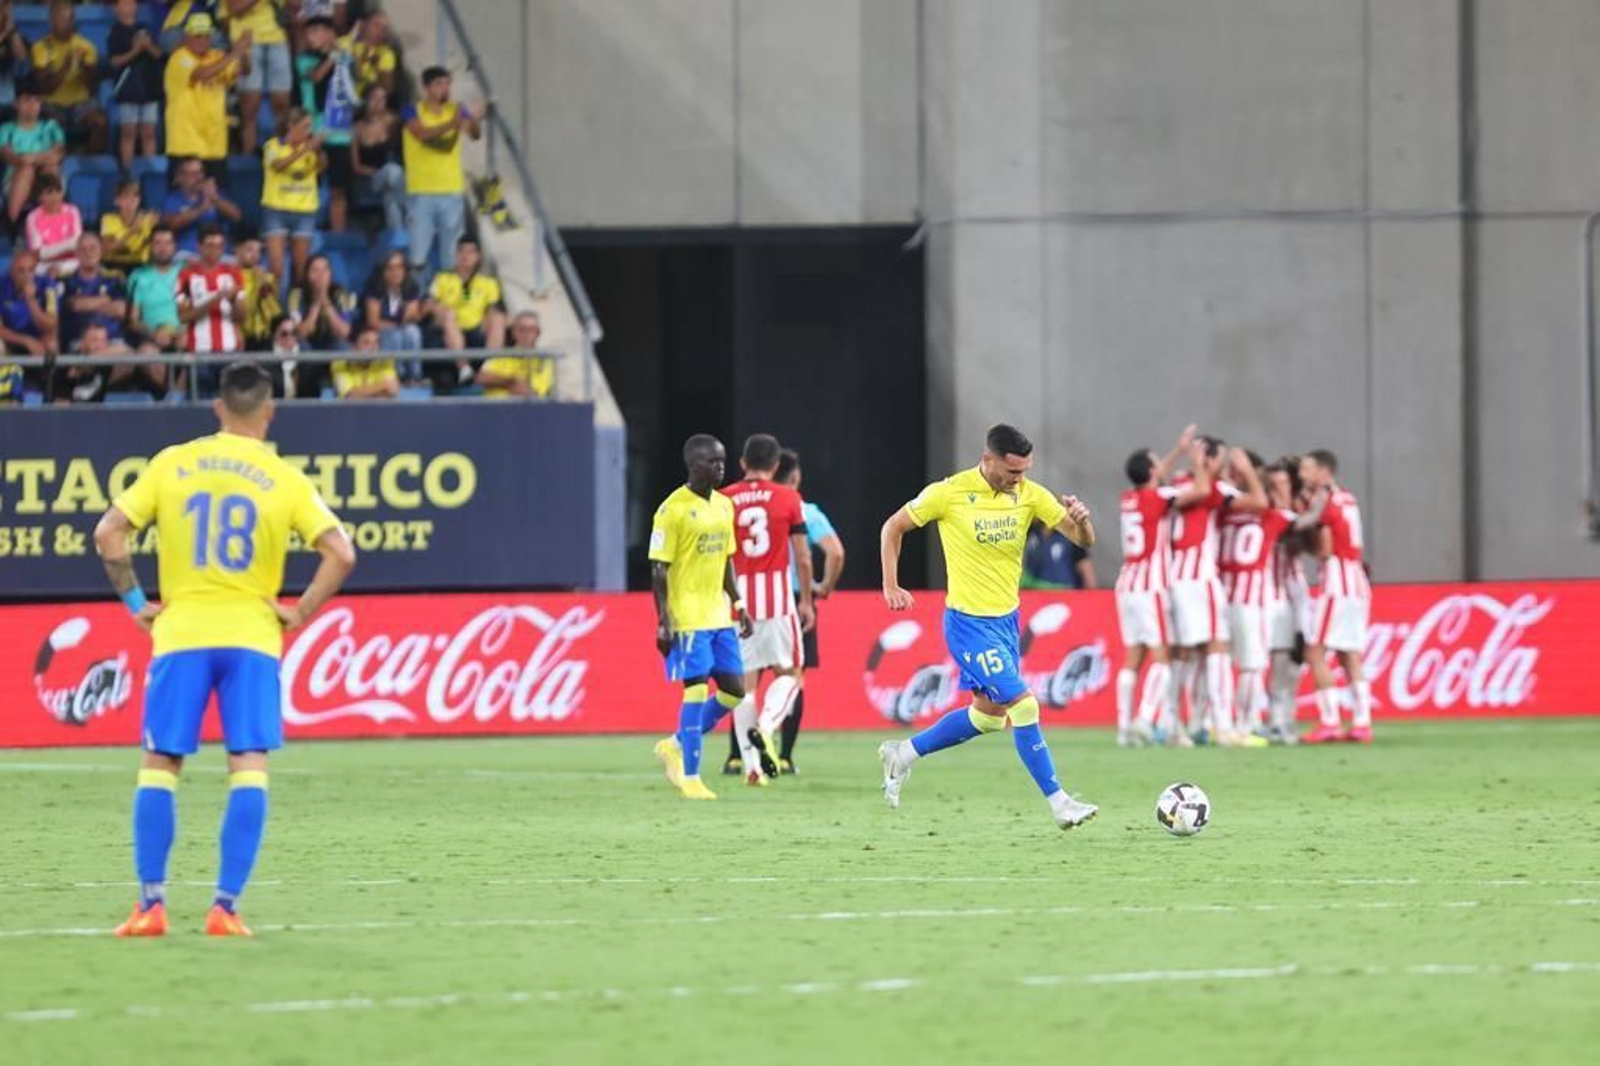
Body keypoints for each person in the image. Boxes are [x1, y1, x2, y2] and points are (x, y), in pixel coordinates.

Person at [94, 360, 356, 938]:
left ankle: (151, 906)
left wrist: (136, 601)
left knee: (161, 764)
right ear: (269, 411)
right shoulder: (285, 479)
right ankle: (224, 909)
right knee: (248, 766)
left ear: (217, 407)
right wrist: (300, 613)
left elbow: (108, 532)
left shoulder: (173, 462)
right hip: (253, 639)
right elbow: (341, 553)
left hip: (181, 634)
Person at [877, 424, 1099, 830]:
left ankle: (903, 754)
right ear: (989, 459)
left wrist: (1082, 521)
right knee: (1025, 704)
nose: (1020, 479)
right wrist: (891, 584)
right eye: (1013, 472)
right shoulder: (949, 492)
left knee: (989, 717)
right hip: (967, 623)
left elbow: (1082, 540)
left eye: (1025, 471)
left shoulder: (1030, 494)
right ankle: (1060, 802)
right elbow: (892, 527)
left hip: (1006, 622)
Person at [648, 434, 754, 801]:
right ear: (694, 466)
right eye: (713, 462)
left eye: (723, 461)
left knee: (734, 691)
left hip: (719, 615)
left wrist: (738, 604)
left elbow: (726, 559)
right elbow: (659, 569)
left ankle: (676, 743)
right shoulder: (671, 510)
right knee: (695, 688)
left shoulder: (724, 506)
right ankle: (691, 775)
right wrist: (663, 620)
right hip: (688, 617)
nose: (721, 467)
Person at [716, 434, 815, 786]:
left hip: (736, 601)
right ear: (775, 466)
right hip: (776, 598)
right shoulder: (789, 498)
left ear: (742, 463)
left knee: (745, 685)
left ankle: (752, 768)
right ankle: (769, 726)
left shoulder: (724, 498)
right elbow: (802, 556)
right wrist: (805, 600)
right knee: (790, 673)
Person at [1166, 436, 1266, 744]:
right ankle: (1223, 726)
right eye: (1220, 462)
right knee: (1217, 648)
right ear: (1207, 460)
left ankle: (1178, 725)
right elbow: (1259, 502)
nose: (1223, 469)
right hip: (1199, 578)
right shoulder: (1205, 487)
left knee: (1185, 653)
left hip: (1174, 578)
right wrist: (1247, 472)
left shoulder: (1175, 485)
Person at [1112, 432, 1193, 748]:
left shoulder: (1128, 499)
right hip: (1151, 586)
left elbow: (1156, 478)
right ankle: (1145, 720)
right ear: (1151, 471)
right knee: (1162, 656)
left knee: (1134, 655)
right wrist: (1195, 461)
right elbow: (1197, 492)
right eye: (1158, 462)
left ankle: (1123, 729)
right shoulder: (1157, 499)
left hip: (1127, 584)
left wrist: (1177, 451)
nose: (1164, 464)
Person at [1298, 449, 1374, 744]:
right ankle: (1362, 722)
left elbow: (1325, 548)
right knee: (1349, 654)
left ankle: (1329, 721)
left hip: (1337, 582)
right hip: (1356, 581)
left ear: (1323, 471)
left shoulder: (1325, 500)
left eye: (1306, 469)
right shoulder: (1348, 498)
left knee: (1315, 651)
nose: (1303, 475)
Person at [402, 66, 481, 274]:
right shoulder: (412, 109)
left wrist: (472, 119)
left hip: (451, 189)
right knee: (418, 252)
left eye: (447, 84)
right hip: (421, 190)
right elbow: (421, 134)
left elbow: (474, 134)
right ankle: (416, 299)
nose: (444, 89)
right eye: (438, 84)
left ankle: (452, 297)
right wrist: (451, 124)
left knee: (452, 253)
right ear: (426, 87)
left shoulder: (456, 109)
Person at [165, 13, 251, 184]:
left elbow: (244, 71)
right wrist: (234, 54)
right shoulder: (179, 57)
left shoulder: (217, 56)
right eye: (197, 36)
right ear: (187, 37)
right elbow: (202, 74)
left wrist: (244, 51)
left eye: (206, 36)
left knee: (216, 199)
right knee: (184, 200)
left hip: (215, 145)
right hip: (186, 145)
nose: (202, 40)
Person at [294, 16, 355, 231]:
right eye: (310, 32)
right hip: (314, 130)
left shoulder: (344, 57)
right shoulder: (303, 60)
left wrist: (342, 51)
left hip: (339, 131)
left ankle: (338, 234)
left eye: (319, 31)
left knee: (339, 188)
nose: (313, 36)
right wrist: (333, 56)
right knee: (311, 183)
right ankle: (307, 230)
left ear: (330, 33)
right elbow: (317, 76)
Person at [177, 223, 247, 396]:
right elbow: (184, 316)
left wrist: (232, 301)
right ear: (199, 247)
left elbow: (242, 316)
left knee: (231, 408)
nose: (215, 250)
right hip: (199, 352)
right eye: (210, 245)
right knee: (201, 408)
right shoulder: (186, 275)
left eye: (219, 246)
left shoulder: (234, 274)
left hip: (230, 351)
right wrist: (215, 299)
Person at [30, 0, 106, 153]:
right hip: (52, 103)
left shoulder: (86, 46)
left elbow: (91, 86)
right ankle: (53, 164)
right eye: (62, 20)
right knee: (52, 124)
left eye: (70, 19)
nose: (67, 24)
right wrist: (66, 66)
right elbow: (46, 88)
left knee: (100, 123)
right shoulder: (41, 47)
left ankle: (89, 166)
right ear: (52, 21)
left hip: (81, 102)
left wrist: (85, 68)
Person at [261, 107, 325, 286]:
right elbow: (278, 165)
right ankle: (273, 309)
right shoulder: (273, 145)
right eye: (305, 126)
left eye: (310, 127)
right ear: (291, 126)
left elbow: (322, 165)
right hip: (276, 210)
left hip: (304, 211)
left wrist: (318, 150)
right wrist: (303, 150)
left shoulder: (310, 148)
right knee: (276, 269)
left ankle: (295, 306)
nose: (309, 131)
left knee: (301, 268)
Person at [223, 0, 292, 156]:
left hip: (277, 39)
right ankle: (248, 156)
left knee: (282, 104)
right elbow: (233, 8)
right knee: (250, 106)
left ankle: (281, 153)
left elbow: (295, 7)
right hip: (247, 38)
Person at [107, 0, 164, 171]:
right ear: (115, 8)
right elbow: (114, 61)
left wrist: (148, 46)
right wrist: (135, 51)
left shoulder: (146, 28)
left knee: (149, 133)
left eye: (132, 3)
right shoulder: (115, 32)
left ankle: (151, 170)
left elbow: (160, 55)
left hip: (149, 87)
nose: (129, 7)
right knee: (129, 133)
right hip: (127, 89)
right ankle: (128, 172)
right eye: (124, 4)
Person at [0, 80, 65, 225]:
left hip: (47, 176)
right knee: (26, 170)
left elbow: (57, 155)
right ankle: (12, 224)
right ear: (16, 103)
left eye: (37, 101)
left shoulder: (51, 127)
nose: (32, 106)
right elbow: (10, 156)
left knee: (51, 168)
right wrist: (38, 158)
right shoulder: (6, 129)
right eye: (27, 100)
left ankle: (54, 222)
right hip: (14, 180)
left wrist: (30, 158)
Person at [429, 235, 506, 350]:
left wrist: (489, 317)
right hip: (448, 326)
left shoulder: (489, 282)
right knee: (449, 316)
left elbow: (492, 308)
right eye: (461, 251)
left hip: (476, 327)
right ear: (456, 254)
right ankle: (464, 367)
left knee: (498, 318)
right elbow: (431, 303)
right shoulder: (442, 278)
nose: (465, 256)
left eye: (470, 252)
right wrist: (440, 310)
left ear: (478, 256)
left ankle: (491, 363)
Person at [162, 157, 244, 257]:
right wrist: (201, 209)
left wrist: (215, 199)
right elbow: (171, 225)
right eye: (192, 174)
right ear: (179, 178)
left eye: (200, 172)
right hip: (187, 254)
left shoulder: (217, 194)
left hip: (220, 255)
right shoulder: (173, 199)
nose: (198, 178)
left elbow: (237, 216)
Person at [0, 249, 58, 389]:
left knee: (52, 343)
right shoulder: (1, 285)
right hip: (12, 340)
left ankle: (48, 391)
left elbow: (50, 325)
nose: (27, 275)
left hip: (40, 339)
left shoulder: (48, 285)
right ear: (12, 271)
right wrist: (26, 341)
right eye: (21, 271)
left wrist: (31, 300)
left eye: (30, 270)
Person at [60, 233, 127, 353]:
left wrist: (86, 305)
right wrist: (105, 300)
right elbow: (74, 305)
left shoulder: (114, 279)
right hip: (79, 341)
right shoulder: (65, 281)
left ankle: (96, 357)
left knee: (127, 358)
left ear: (101, 251)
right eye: (83, 249)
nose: (88, 253)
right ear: (76, 254)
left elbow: (120, 310)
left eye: (93, 248)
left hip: (112, 340)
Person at [361, 250, 422, 380]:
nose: (396, 272)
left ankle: (415, 375)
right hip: (379, 330)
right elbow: (373, 321)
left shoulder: (411, 286)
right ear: (383, 270)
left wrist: (409, 313)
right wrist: (396, 325)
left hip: (401, 329)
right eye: (390, 268)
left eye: (399, 267)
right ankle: (397, 375)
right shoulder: (374, 287)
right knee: (394, 334)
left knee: (413, 332)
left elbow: (411, 317)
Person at [351, 84, 404, 234]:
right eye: (374, 98)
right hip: (369, 179)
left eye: (382, 98)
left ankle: (398, 236)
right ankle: (412, 213)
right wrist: (379, 173)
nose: (378, 102)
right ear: (366, 101)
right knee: (391, 171)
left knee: (390, 197)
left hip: (394, 182)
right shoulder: (357, 128)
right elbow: (356, 166)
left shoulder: (394, 122)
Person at [126, 226, 184, 354]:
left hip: (184, 335)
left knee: (187, 343)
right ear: (150, 246)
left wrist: (183, 332)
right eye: (157, 243)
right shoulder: (138, 277)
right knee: (146, 353)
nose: (163, 248)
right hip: (152, 337)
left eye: (167, 243)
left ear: (175, 246)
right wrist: (153, 334)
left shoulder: (186, 272)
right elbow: (133, 320)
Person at [287, 253, 355, 360]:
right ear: (307, 274)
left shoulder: (341, 294)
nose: (320, 275)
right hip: (307, 342)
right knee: (301, 346)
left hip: (332, 342)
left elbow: (344, 332)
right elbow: (300, 333)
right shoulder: (296, 295)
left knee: (344, 347)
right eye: (315, 270)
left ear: (330, 274)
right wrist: (316, 304)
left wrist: (326, 303)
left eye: (325, 270)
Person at [476, 310, 553, 399]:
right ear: (514, 332)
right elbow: (481, 378)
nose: (526, 334)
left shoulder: (544, 360)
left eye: (531, 329)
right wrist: (511, 381)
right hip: (495, 409)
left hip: (526, 409)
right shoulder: (501, 355)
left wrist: (498, 381)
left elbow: (529, 390)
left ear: (538, 333)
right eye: (522, 329)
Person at [23, 171, 80, 275]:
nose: (55, 197)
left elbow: (77, 244)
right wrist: (68, 246)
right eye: (49, 193)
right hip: (44, 265)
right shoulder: (33, 217)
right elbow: (38, 253)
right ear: (39, 197)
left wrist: (51, 253)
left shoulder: (72, 211)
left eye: (58, 191)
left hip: (71, 263)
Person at [234, 232, 282, 351]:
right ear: (237, 250)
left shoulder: (267, 278)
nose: (255, 255)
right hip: (240, 337)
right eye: (249, 249)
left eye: (258, 250)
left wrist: (265, 291)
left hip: (263, 337)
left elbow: (275, 313)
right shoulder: (231, 277)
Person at [101, 178, 159, 273]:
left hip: (140, 266)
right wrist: (131, 231)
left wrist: (155, 228)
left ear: (139, 200)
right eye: (126, 196)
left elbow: (151, 249)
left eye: (135, 196)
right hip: (114, 264)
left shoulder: (147, 219)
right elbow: (108, 248)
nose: (131, 201)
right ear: (116, 200)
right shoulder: (108, 219)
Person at [331, 323, 399, 399]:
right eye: (366, 343)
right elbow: (349, 395)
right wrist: (382, 386)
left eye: (376, 342)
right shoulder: (340, 364)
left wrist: (361, 393)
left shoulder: (385, 362)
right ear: (354, 347)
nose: (373, 348)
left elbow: (392, 390)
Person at [349, 9, 397, 99]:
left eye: (384, 28)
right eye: (376, 25)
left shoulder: (385, 53)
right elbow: (353, 76)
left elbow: (387, 88)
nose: (380, 31)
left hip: (364, 104)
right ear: (363, 24)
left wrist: (377, 67)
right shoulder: (345, 43)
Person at [0, 0, 27, 118]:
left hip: (7, 102)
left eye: (4, 5)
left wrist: (11, 28)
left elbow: (21, 56)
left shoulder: (13, 34)